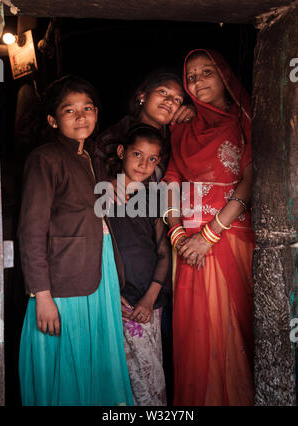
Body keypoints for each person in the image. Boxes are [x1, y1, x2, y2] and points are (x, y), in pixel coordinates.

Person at [17, 75, 134, 406]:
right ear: (53, 120)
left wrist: (109, 186)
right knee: (68, 357)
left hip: (101, 270)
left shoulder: (93, 158)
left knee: (97, 354)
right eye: (70, 110)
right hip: (64, 279)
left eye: (88, 108)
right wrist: (41, 294)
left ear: (97, 113)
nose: (81, 116)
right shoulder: (45, 159)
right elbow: (31, 229)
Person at [163, 49, 254, 406]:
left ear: (225, 76)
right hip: (187, 247)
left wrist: (209, 235)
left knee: (232, 336)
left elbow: (250, 181)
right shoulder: (182, 128)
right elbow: (171, 180)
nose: (198, 81)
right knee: (197, 341)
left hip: (228, 240)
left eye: (207, 72)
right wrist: (178, 234)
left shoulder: (245, 119)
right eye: (191, 77)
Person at [106, 124, 171, 406]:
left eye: (153, 159)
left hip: (147, 300)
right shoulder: (102, 195)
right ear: (121, 152)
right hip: (112, 299)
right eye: (137, 154)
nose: (144, 164)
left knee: (150, 376)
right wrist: (108, 291)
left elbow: (163, 252)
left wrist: (149, 298)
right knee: (118, 377)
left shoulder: (154, 199)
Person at [96, 71, 194, 181]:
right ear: (143, 96)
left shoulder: (177, 140)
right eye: (163, 92)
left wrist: (198, 114)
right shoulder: (110, 138)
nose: (170, 101)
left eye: (177, 100)